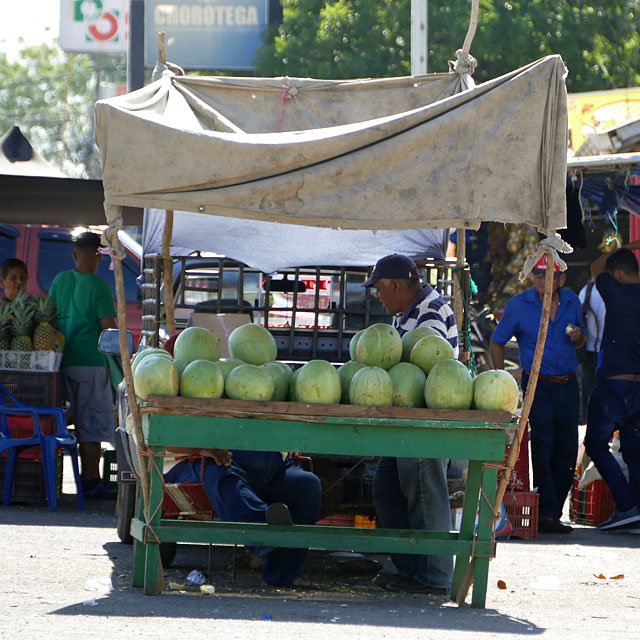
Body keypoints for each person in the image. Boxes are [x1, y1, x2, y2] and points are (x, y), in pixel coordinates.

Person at [362, 253, 456, 595]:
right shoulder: (408, 312)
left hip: (423, 425)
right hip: (404, 426)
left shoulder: (429, 314)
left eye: (379, 290)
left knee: (424, 494)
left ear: (397, 286)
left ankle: (434, 576)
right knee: (386, 489)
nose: (377, 296)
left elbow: (425, 373)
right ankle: (410, 569)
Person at [490, 254, 586, 534]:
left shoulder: (571, 302)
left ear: (561, 279)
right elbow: (496, 342)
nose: (543, 280)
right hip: (538, 384)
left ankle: (553, 512)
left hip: (568, 384)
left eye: (549, 275)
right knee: (542, 444)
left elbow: (581, 341)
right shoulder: (519, 305)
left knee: (567, 447)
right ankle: (545, 512)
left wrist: (577, 337)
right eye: (539, 274)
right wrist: (500, 378)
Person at [160, 447, 322, 587]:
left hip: (268, 465)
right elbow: (162, 433)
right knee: (222, 475)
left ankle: (283, 574)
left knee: (307, 484)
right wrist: (202, 448)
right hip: (199, 459)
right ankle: (265, 535)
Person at [49, 232, 118, 499]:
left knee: (71, 423)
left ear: (75, 255)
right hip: (91, 363)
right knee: (90, 427)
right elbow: (108, 329)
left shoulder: (60, 280)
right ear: (99, 256)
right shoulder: (99, 287)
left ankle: (82, 482)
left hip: (63, 362)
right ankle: (90, 483)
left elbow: (49, 320)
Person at [584, 241, 640, 531]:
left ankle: (626, 505)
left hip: (614, 385)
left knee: (595, 442)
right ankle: (636, 509)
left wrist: (630, 245)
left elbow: (595, 267)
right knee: (634, 448)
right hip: (638, 388)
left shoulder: (615, 292)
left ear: (617, 273)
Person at [577, 281, 606, 423]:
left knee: (591, 396)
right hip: (599, 352)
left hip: (591, 351)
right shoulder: (590, 290)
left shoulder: (587, 290)